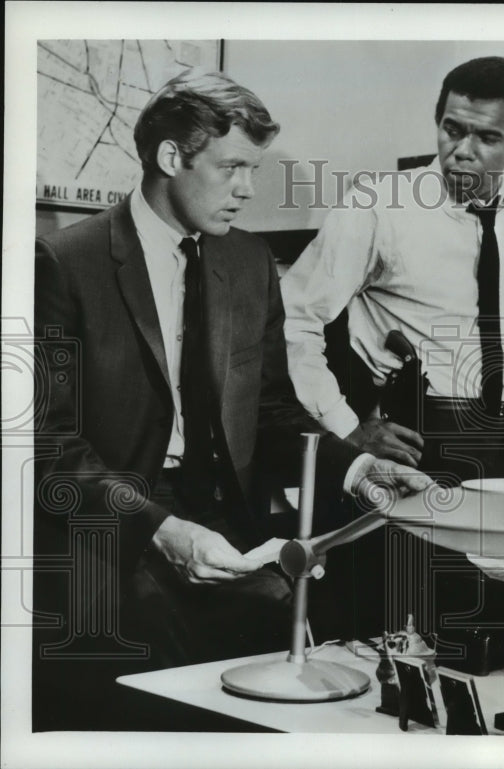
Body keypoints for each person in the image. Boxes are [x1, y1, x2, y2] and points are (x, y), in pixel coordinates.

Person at [33, 70, 430, 730]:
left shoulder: (248, 263)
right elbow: (48, 443)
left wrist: (359, 467)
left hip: (224, 520)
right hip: (115, 528)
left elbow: (272, 409)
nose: (248, 188)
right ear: (170, 158)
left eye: (255, 168)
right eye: (234, 167)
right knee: (169, 675)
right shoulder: (64, 262)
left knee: (296, 659)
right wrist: (163, 528)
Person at [281, 55, 504, 481]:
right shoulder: (378, 207)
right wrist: (347, 428)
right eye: (452, 129)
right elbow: (295, 320)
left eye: (488, 137)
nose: (462, 152)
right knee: (413, 550)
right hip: (417, 436)